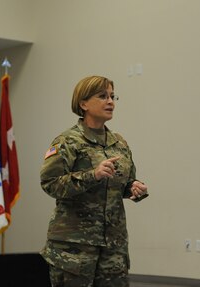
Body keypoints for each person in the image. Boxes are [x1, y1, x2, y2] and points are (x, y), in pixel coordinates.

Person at [40, 75, 149, 287]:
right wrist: (93, 175)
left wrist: (134, 189)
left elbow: (125, 183)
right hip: (75, 249)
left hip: (113, 246)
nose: (110, 102)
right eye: (102, 96)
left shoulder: (119, 143)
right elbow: (50, 183)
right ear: (83, 103)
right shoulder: (67, 141)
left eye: (112, 96)